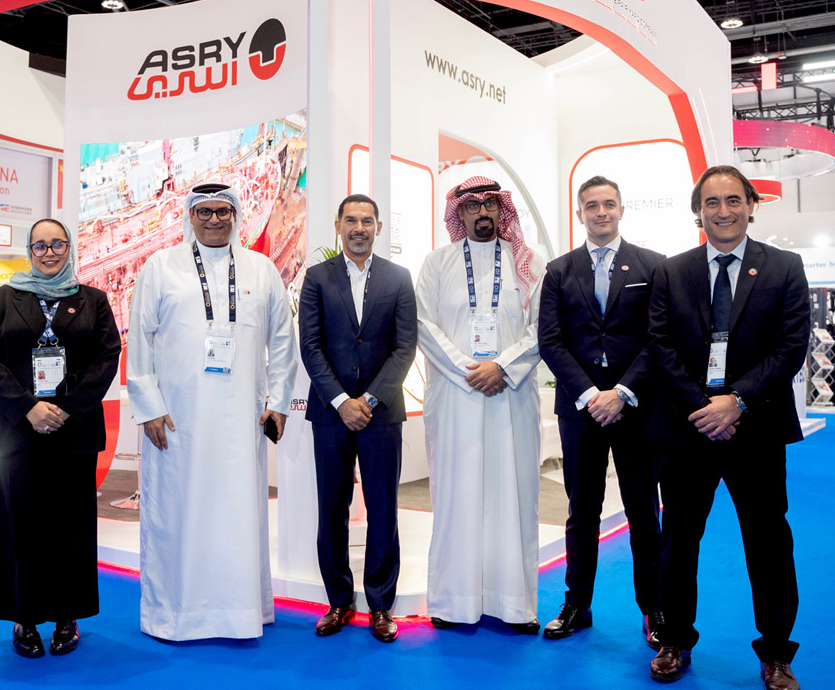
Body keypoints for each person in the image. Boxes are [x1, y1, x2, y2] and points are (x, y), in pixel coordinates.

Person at [646, 166, 809, 690]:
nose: (723, 211)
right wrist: (704, 407)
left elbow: (790, 346)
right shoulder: (672, 271)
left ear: (751, 205)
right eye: (711, 202)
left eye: (733, 200)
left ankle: (777, 653)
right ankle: (674, 640)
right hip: (686, 428)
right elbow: (660, 346)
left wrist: (736, 402)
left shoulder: (784, 267)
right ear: (698, 211)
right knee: (678, 543)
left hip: (756, 430)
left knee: (768, 545)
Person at [127, 182, 297, 640]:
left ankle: (240, 611)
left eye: (223, 212)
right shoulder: (160, 267)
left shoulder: (261, 269)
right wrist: (148, 407)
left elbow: (284, 341)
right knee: (178, 512)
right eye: (205, 212)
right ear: (191, 216)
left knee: (238, 513)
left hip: (242, 420)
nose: (214, 220)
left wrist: (279, 402)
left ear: (235, 215)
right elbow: (140, 340)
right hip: (177, 420)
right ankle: (174, 614)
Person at [0, 219, 122, 658]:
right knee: (20, 527)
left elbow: (107, 357)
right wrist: (29, 408)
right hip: (16, 432)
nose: (49, 252)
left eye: (57, 244)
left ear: (69, 248)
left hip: (72, 431)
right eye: (39, 246)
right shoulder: (3, 298)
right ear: (29, 251)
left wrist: (66, 409)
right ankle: (24, 617)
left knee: (71, 528)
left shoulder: (92, 300)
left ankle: (66, 616)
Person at [537, 175, 664, 646]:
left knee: (643, 512)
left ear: (621, 209)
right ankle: (577, 604)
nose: (601, 212)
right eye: (592, 205)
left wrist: (622, 391)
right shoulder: (559, 270)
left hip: (636, 408)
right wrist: (592, 394)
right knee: (581, 511)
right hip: (580, 409)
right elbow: (550, 341)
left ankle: (655, 608)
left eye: (609, 204)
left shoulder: (653, 266)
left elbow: (659, 338)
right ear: (580, 213)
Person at [415, 177, 545, 633]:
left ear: (501, 209)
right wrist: (469, 370)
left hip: (512, 397)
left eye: (491, 204)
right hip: (456, 398)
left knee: (514, 496)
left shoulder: (529, 264)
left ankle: (514, 605)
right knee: (457, 495)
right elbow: (423, 325)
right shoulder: (437, 263)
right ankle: (454, 602)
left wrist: (502, 367)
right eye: (473, 206)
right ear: (460, 213)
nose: (483, 212)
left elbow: (543, 329)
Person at [298, 194, 418, 643]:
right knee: (332, 509)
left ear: (378, 228)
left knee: (383, 509)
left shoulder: (399, 278)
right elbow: (310, 346)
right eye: (351, 220)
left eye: (367, 221)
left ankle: (381, 605)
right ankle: (338, 601)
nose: (359, 228)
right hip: (331, 415)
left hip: (381, 413)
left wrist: (366, 400)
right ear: (338, 225)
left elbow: (405, 346)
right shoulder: (316, 277)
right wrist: (340, 402)